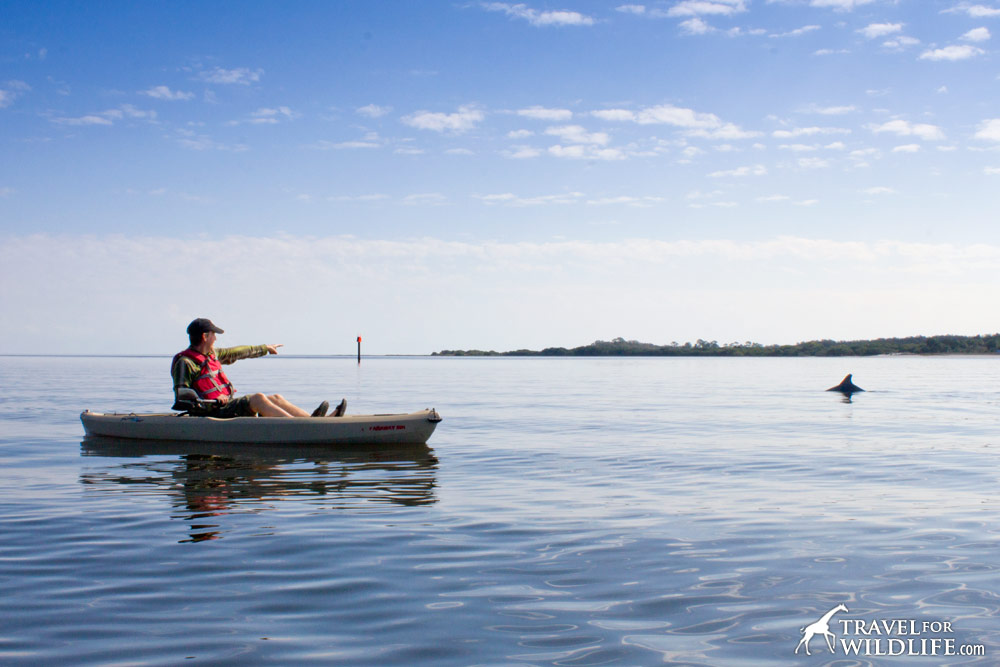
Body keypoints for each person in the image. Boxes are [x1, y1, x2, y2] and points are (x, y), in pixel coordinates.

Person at [171, 318, 346, 418]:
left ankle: (313, 423)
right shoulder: (185, 363)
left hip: (224, 407)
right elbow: (182, 398)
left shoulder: (212, 355)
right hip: (211, 412)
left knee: (276, 398)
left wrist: (265, 348)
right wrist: (212, 403)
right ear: (204, 336)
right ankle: (300, 428)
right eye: (214, 335)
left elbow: (238, 352)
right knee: (258, 399)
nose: (216, 339)